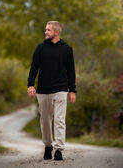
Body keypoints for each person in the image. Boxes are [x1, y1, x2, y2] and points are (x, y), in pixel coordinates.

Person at [27, 21, 76, 161]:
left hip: (61, 90)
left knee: (59, 120)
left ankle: (59, 149)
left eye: (48, 30)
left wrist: (72, 90)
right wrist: (30, 85)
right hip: (43, 91)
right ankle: (48, 146)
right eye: (45, 30)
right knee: (45, 121)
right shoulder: (40, 48)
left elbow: (71, 71)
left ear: (57, 32)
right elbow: (34, 67)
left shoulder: (67, 49)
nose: (46, 32)